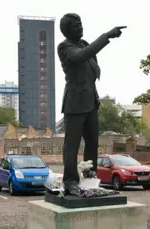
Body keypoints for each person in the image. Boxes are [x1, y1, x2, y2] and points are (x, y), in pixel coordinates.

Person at [57, 13, 125, 195]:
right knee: (71, 146)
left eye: (81, 24)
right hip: (74, 103)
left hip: (91, 102)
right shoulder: (64, 47)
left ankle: (89, 179)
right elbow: (80, 57)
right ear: (66, 30)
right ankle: (70, 181)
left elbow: (89, 61)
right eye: (76, 26)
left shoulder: (84, 44)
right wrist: (106, 36)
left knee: (92, 144)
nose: (80, 28)